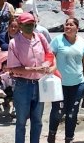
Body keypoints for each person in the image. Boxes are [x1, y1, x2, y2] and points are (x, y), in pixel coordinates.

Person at [7, 13, 56, 143]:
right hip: (23, 85)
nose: (30, 26)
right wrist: (35, 69)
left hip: (40, 84)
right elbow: (13, 68)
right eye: (26, 24)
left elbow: (49, 54)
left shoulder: (40, 37)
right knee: (21, 122)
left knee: (37, 121)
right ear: (20, 26)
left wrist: (46, 65)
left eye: (31, 24)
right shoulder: (14, 43)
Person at [48, 18, 84, 143]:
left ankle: (69, 138)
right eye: (66, 24)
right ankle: (52, 135)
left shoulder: (82, 42)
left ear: (77, 28)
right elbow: (50, 58)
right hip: (59, 84)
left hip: (77, 84)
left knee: (72, 112)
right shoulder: (57, 41)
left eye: (71, 25)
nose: (67, 26)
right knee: (57, 111)